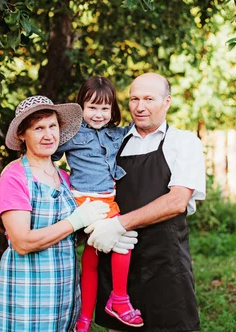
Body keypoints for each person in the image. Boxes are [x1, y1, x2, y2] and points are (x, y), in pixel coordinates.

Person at [85, 73, 206, 332]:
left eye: (149, 99)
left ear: (167, 101)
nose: (140, 107)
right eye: (134, 99)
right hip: (119, 263)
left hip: (166, 264)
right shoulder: (112, 142)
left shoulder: (183, 143)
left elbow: (177, 201)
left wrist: (118, 225)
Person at [0, 95, 118, 331]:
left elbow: (69, 237)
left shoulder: (66, 177)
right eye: (38, 128)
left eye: (53, 126)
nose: (48, 135)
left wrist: (108, 229)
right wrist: (77, 220)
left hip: (66, 294)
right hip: (27, 294)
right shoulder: (15, 176)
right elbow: (22, 242)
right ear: (22, 134)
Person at [52, 76, 141, 332]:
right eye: (92, 107)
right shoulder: (72, 134)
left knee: (91, 259)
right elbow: (50, 156)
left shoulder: (117, 134)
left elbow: (136, 133)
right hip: (84, 202)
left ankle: (84, 320)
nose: (99, 114)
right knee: (123, 242)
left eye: (105, 108)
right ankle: (120, 300)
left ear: (113, 109)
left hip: (109, 203)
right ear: (81, 106)